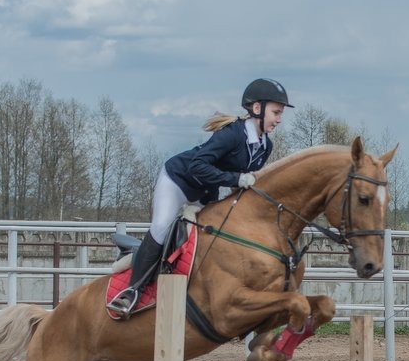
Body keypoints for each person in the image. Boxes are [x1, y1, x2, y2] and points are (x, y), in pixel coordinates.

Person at [107, 78, 293, 317]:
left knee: (210, 234)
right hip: (178, 180)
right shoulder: (231, 135)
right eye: (276, 112)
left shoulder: (265, 146)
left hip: (207, 191)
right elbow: (198, 166)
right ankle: (133, 290)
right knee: (162, 227)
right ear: (257, 109)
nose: (279, 119)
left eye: (280, 114)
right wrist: (235, 178)